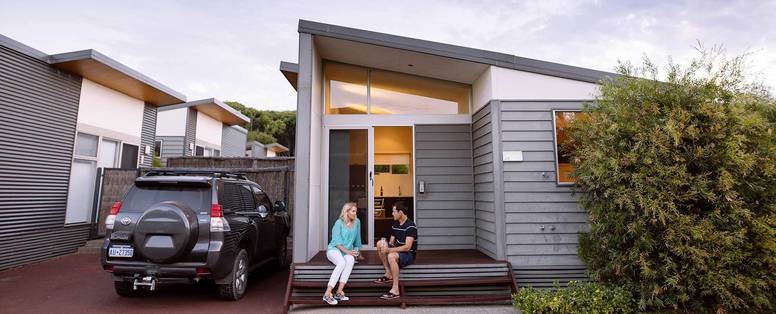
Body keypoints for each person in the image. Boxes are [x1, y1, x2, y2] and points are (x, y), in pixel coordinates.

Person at [374, 201, 417, 300]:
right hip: (398, 251)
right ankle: (388, 273)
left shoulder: (411, 226)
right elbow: (392, 242)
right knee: (380, 243)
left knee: (391, 255)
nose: (392, 214)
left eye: (394, 211)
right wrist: (386, 246)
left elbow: (407, 247)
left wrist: (389, 250)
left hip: (408, 254)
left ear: (400, 212)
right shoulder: (395, 224)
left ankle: (395, 289)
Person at [322, 202, 362, 305]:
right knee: (341, 263)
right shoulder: (339, 223)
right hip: (334, 249)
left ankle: (339, 292)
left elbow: (357, 240)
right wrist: (348, 251)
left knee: (351, 260)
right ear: (346, 211)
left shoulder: (357, 222)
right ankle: (327, 293)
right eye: (353, 211)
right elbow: (336, 242)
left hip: (346, 251)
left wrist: (358, 253)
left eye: (355, 211)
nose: (355, 213)